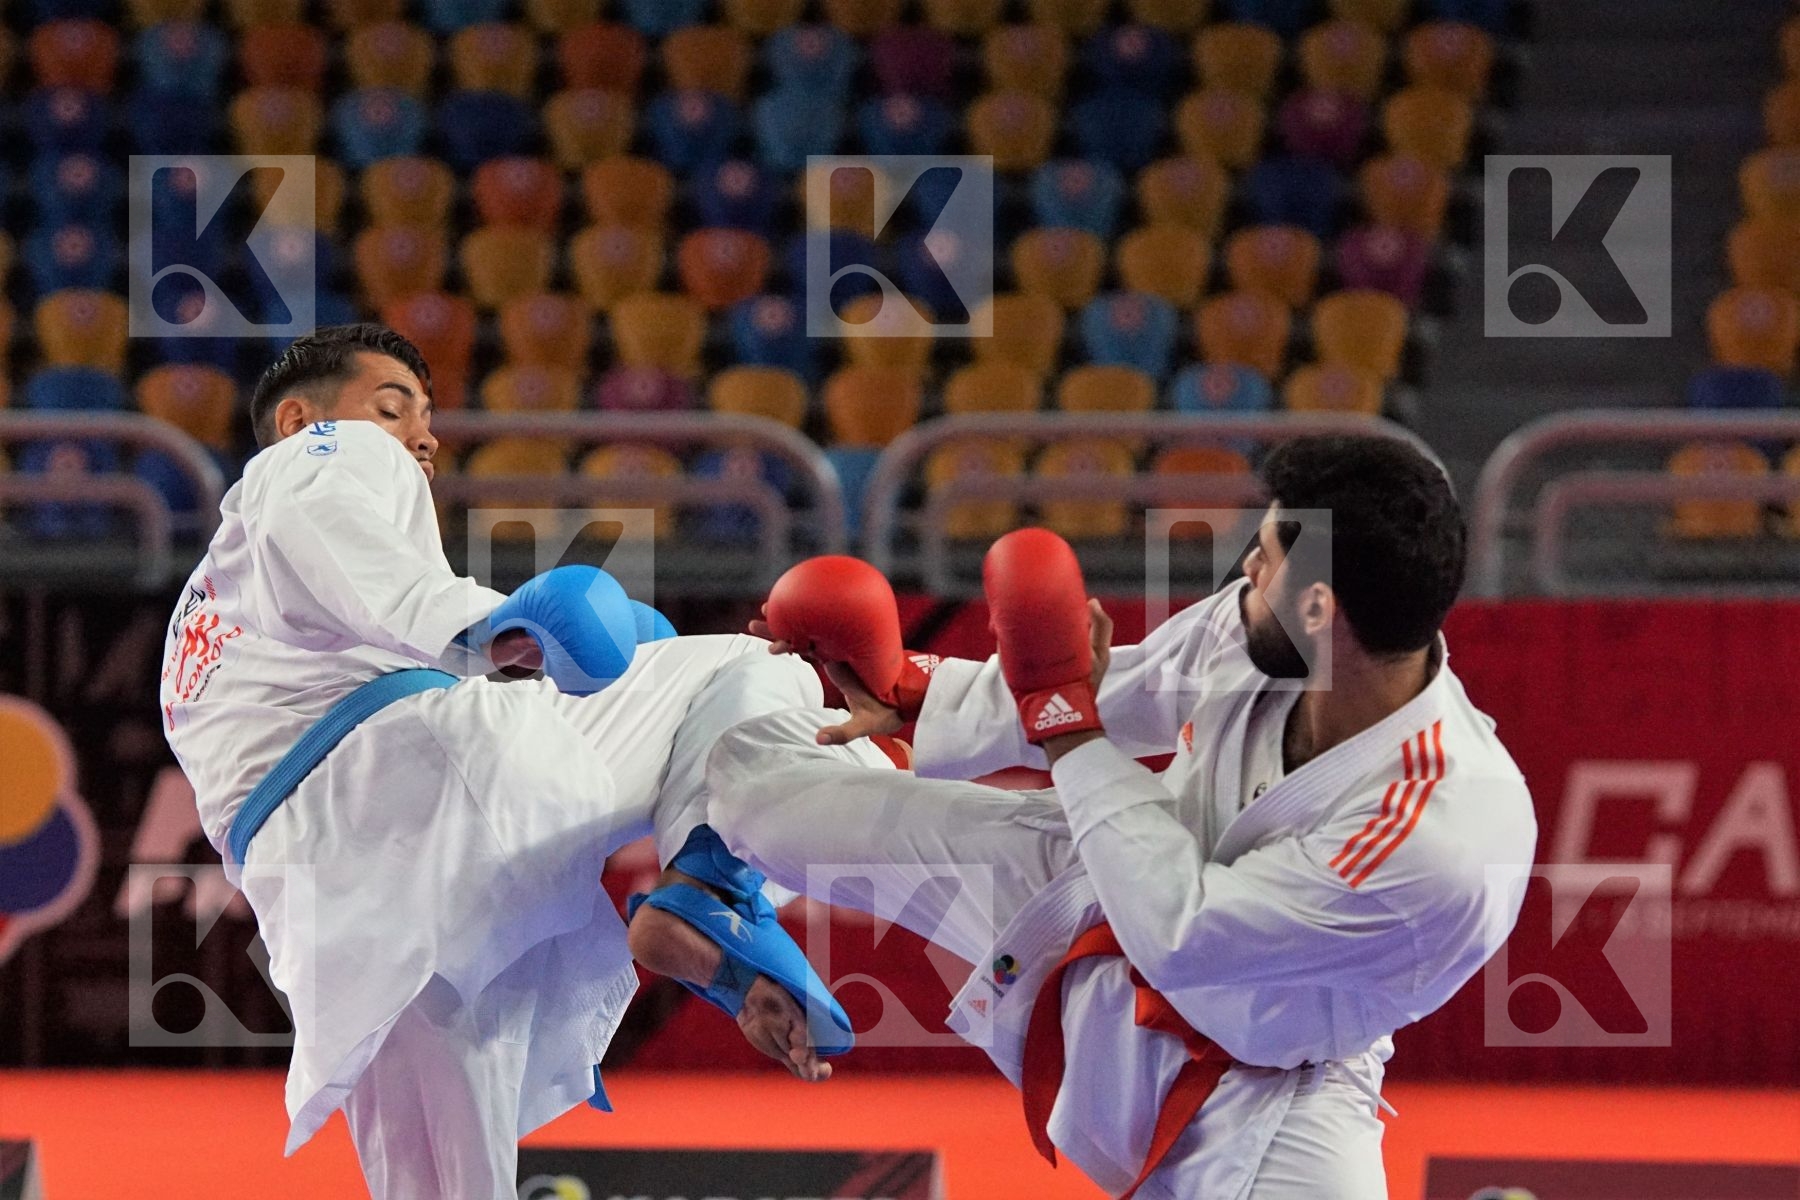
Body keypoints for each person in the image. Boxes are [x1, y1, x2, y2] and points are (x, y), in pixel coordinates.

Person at [705, 435, 1539, 1199]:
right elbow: (1102, 690)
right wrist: (908, 687)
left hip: (1272, 1089)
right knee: (762, 793)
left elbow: (1184, 931)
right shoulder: (1260, 633)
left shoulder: (1443, 836)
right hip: (1094, 885)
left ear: (1321, 608)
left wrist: (1067, 725)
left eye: (1270, 552)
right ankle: (707, 877)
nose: (1248, 563)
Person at [158, 324, 842, 1200]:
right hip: (427, 781)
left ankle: (706, 896)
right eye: (391, 406)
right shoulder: (310, 461)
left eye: (427, 418)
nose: (422, 435)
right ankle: (708, 888)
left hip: (341, 906)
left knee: (442, 1176)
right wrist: (489, 628)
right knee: (757, 667)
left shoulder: (202, 617)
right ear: (299, 419)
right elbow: (341, 531)